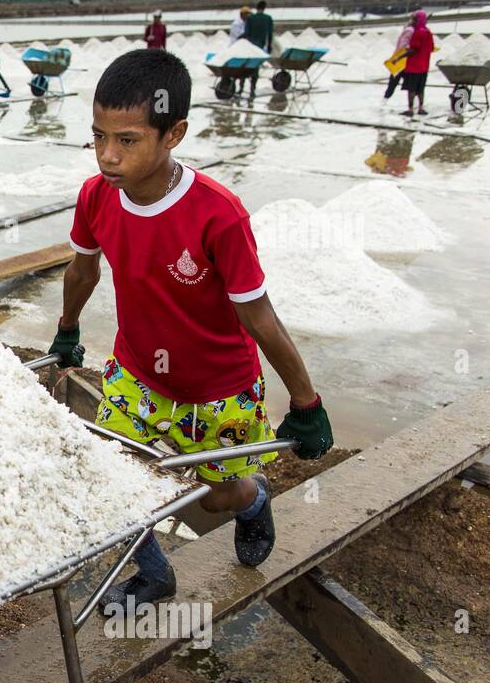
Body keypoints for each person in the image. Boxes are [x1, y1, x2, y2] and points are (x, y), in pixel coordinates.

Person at [48, 49, 333, 609]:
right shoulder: (95, 196)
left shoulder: (218, 215)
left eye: (126, 140)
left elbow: (258, 314)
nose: (107, 156)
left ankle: (252, 501)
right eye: (98, 137)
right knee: (113, 480)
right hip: (135, 373)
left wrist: (306, 400)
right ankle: (155, 573)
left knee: (215, 498)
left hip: (217, 386)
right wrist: (67, 328)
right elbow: (84, 268)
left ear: (173, 132)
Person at [399, 9, 434, 118]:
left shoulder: (417, 33)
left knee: (411, 89)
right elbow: (431, 48)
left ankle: (410, 109)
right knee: (420, 88)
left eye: (414, 19)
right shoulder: (428, 32)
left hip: (414, 66)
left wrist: (400, 57)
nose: (412, 21)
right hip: (424, 66)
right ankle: (421, 108)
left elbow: (414, 49)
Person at [383, 16, 415, 100]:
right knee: (410, 83)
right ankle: (385, 99)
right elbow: (403, 45)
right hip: (403, 60)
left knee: (394, 82)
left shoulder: (410, 30)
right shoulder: (410, 31)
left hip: (403, 60)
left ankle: (385, 99)